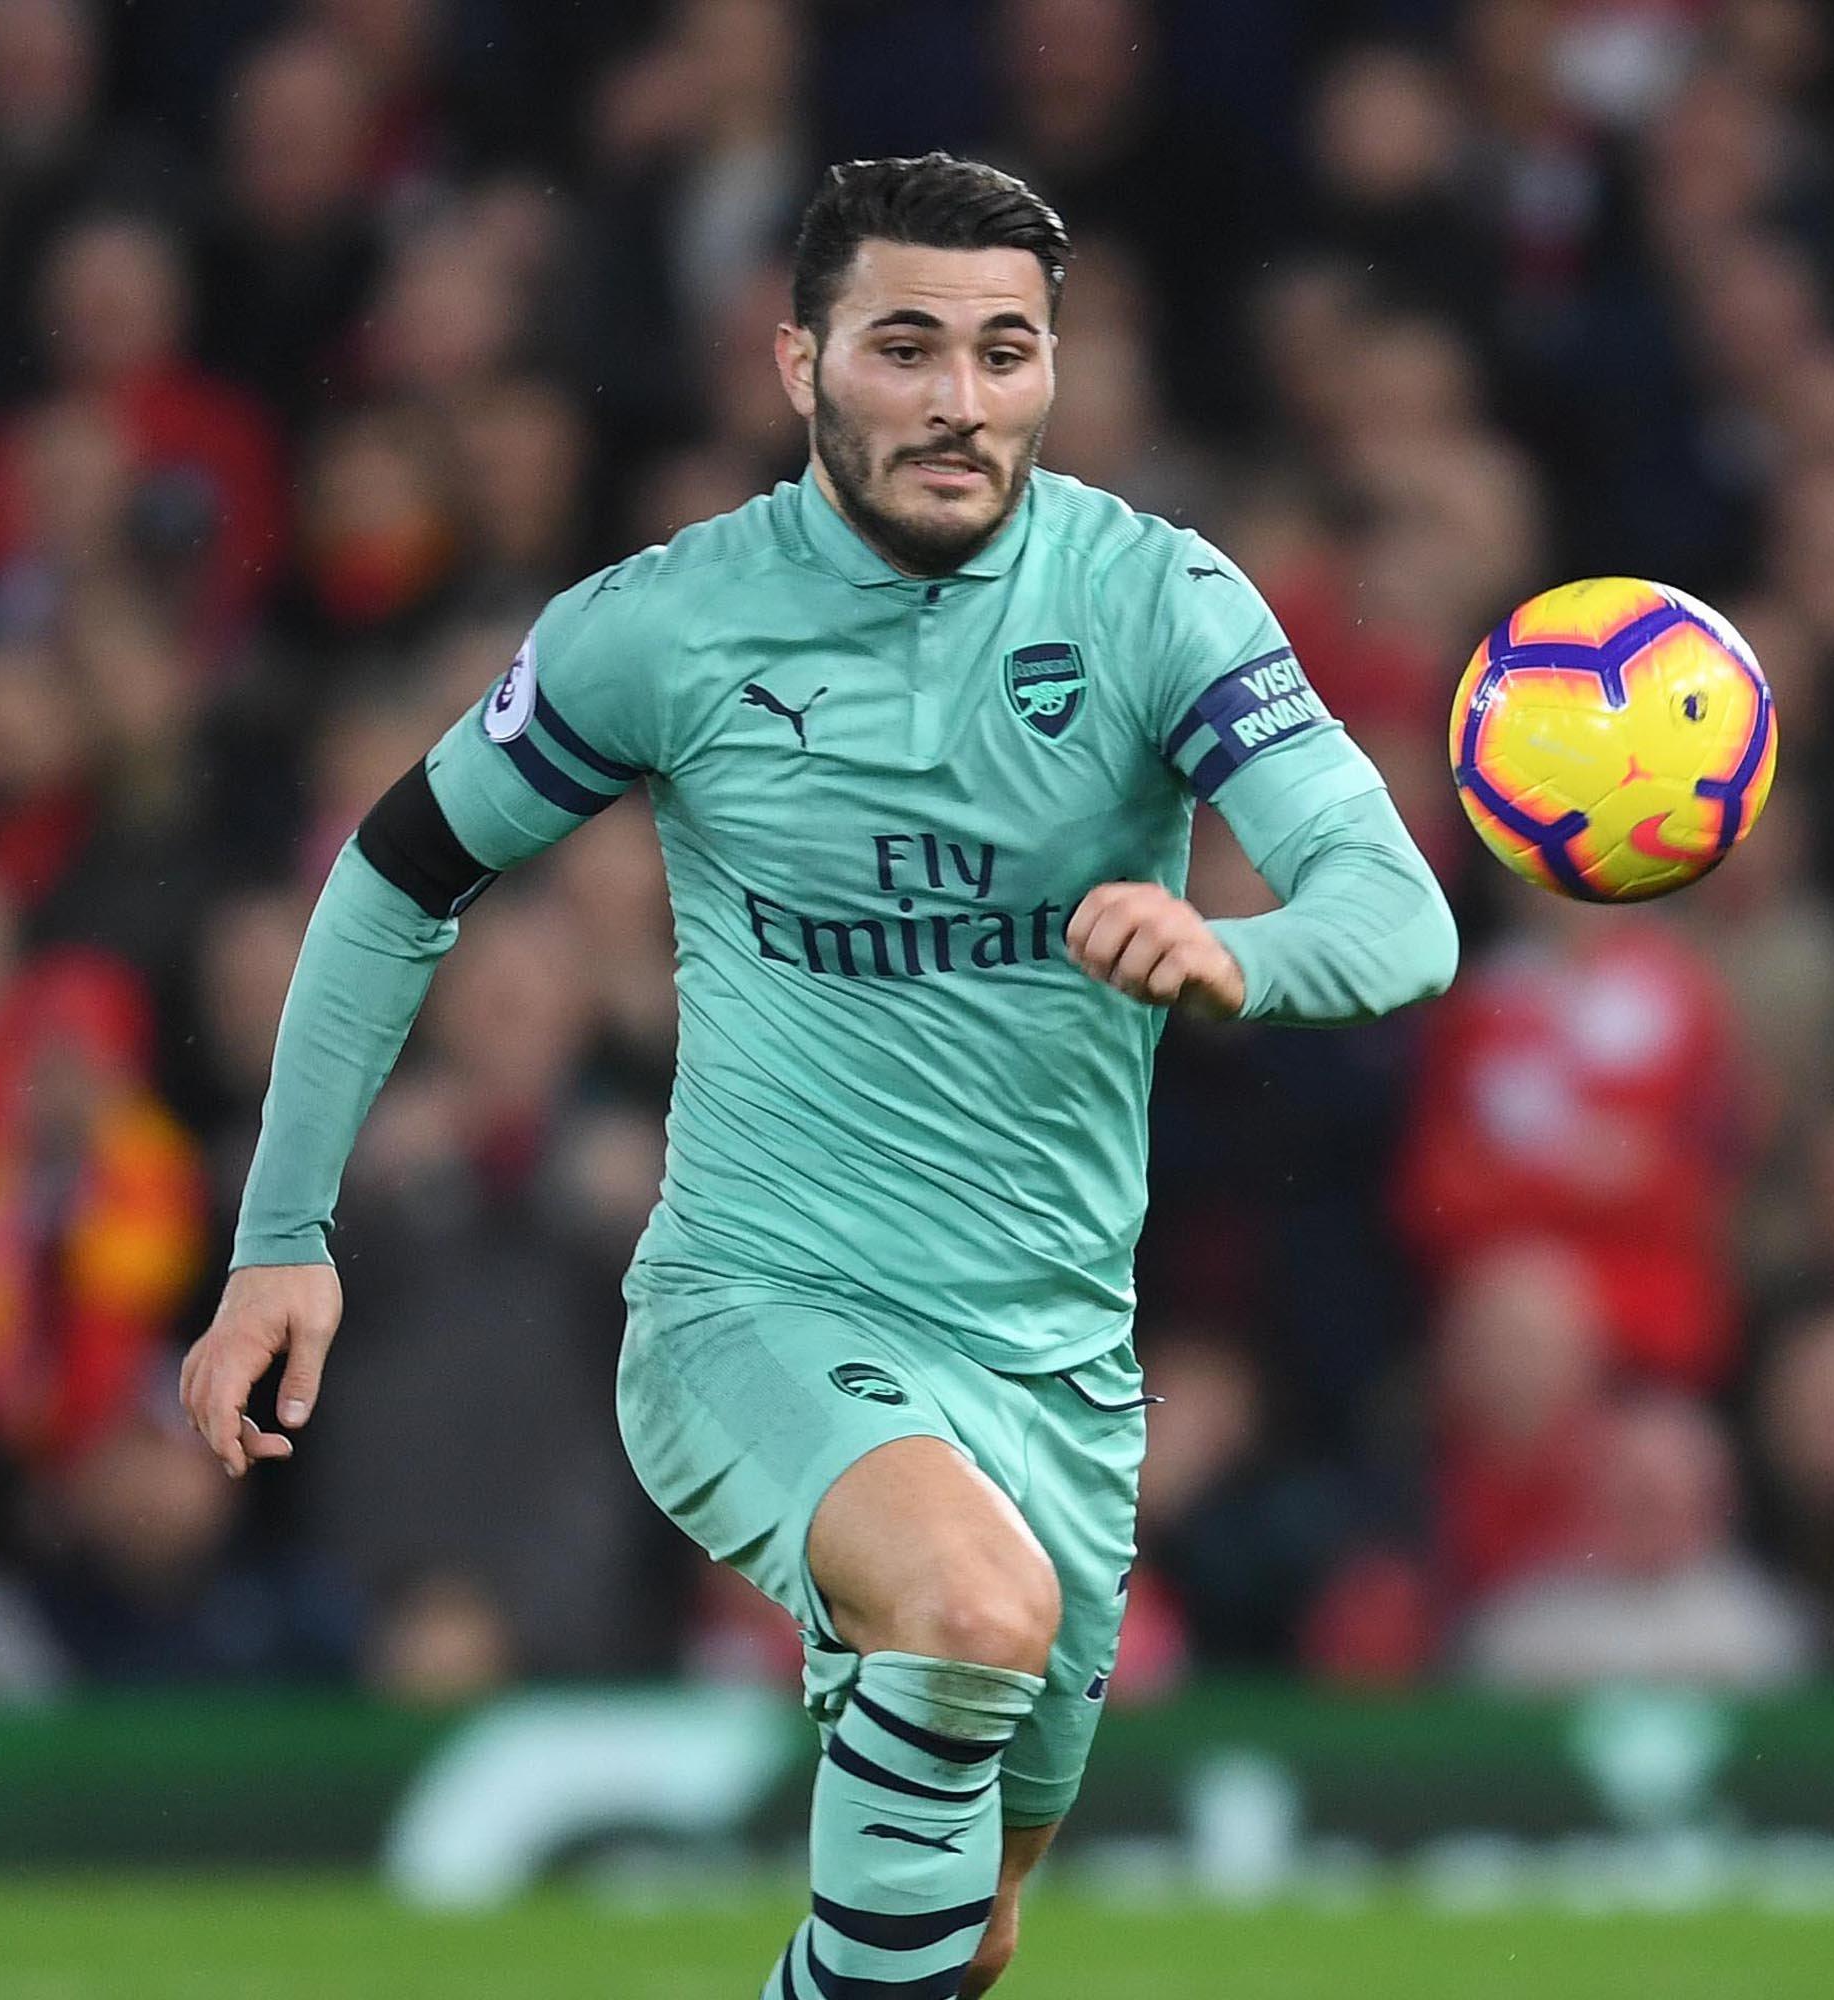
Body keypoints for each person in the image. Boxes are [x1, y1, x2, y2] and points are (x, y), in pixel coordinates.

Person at [178, 154, 1457, 2000]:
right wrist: (283, 1231)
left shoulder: (1157, 602)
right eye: (905, 347)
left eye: (1006, 352)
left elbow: (1399, 915)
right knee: (970, 1609)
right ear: (799, 362)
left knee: (956, 1944)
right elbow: (397, 876)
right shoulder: (665, 626)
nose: (960, 400)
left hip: (1057, 1371)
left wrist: (1233, 954)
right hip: (758, 1308)